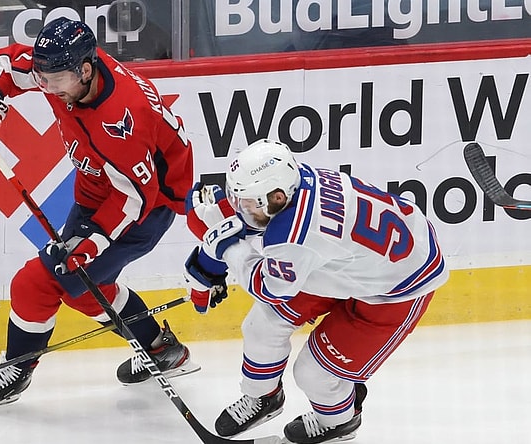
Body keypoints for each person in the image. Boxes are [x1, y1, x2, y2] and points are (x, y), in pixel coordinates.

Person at [0, 17, 199, 410]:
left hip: (144, 207)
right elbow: (6, 65)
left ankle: (17, 367)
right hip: (97, 189)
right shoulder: (66, 70)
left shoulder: (122, 119)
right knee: (83, 288)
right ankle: (159, 349)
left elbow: (135, 197)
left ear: (86, 71)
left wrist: (91, 240)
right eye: (41, 75)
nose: (44, 86)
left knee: (37, 283)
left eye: (53, 79)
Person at [183, 139, 449, 443]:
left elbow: (269, 288)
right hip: (351, 260)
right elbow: (278, 226)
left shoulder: (295, 235)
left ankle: (338, 421)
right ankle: (263, 398)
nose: (241, 210)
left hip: (399, 287)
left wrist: (228, 247)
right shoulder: (298, 179)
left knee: (313, 373)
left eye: (247, 203)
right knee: (262, 325)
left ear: (277, 196)